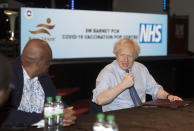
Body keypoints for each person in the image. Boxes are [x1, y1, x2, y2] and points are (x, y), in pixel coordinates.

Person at [92, 38, 182, 112]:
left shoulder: (141, 68)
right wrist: (123, 85)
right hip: (117, 116)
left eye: (129, 56)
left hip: (140, 115)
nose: (125, 60)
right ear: (116, 55)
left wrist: (168, 96)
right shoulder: (108, 72)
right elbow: (100, 99)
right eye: (122, 55)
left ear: (135, 57)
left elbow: (155, 90)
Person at [3, 39, 76, 126]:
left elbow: (54, 99)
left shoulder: (43, 76)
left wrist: (66, 112)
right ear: (40, 63)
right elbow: (6, 115)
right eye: (48, 61)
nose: (50, 64)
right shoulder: (7, 74)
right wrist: (47, 117)